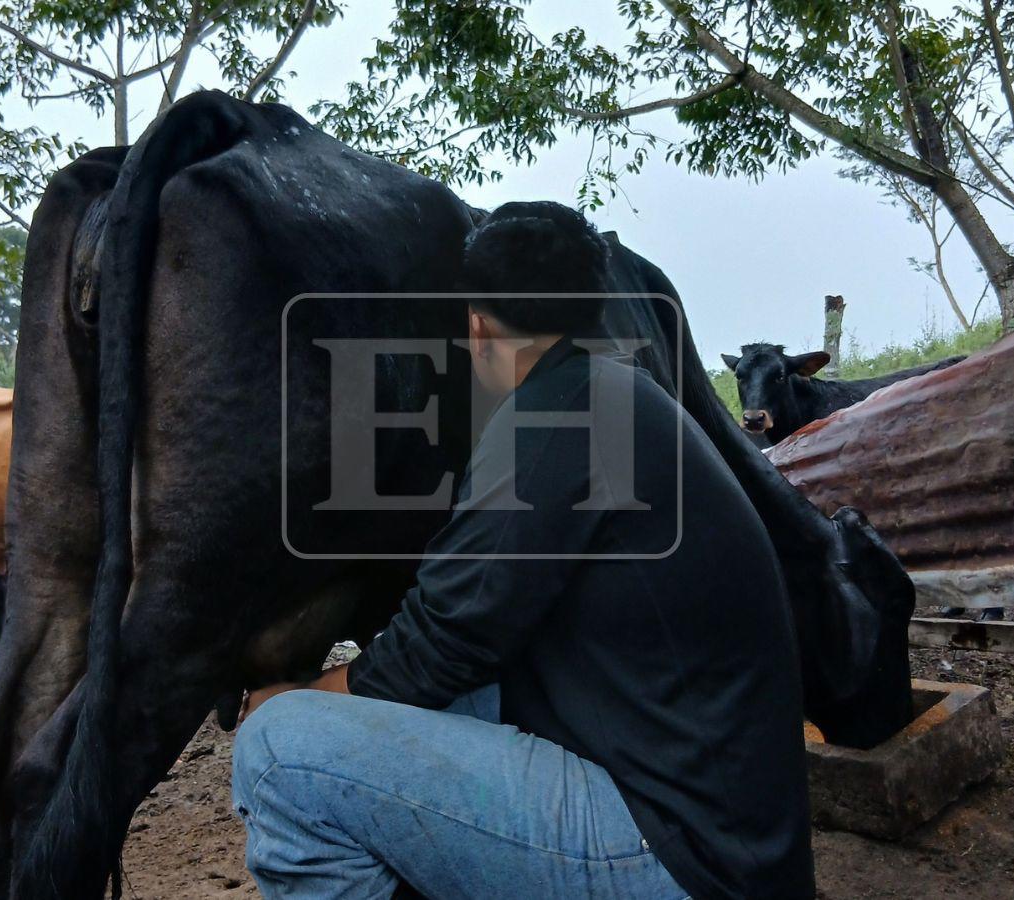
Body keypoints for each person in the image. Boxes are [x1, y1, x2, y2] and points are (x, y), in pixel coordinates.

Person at [232, 202, 814, 900]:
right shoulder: (619, 396)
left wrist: (296, 695)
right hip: (731, 828)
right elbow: (470, 626)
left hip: (680, 855)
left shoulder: (549, 421)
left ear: (476, 324)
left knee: (278, 751)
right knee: (451, 699)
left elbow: (444, 639)